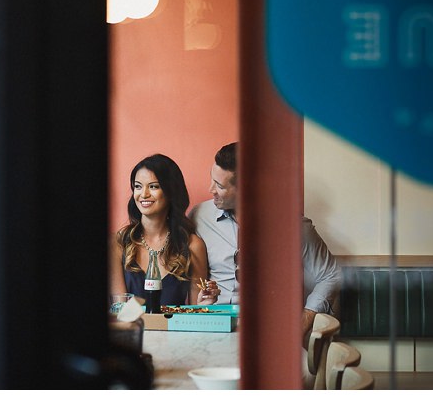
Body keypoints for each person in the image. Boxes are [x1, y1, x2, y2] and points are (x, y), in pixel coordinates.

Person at [191, 142, 341, 385]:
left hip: (271, 336)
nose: (211, 190)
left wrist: (304, 320)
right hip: (216, 329)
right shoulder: (199, 216)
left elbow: (330, 275)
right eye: (212, 180)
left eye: (219, 185)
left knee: (304, 373)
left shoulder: (292, 225)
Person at [109, 153, 211, 306]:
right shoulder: (118, 242)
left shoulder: (192, 245)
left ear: (171, 191)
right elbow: (120, 308)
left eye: (153, 186)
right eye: (137, 186)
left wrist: (205, 303)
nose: (143, 194)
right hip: (133, 328)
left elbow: (196, 310)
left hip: (177, 329)